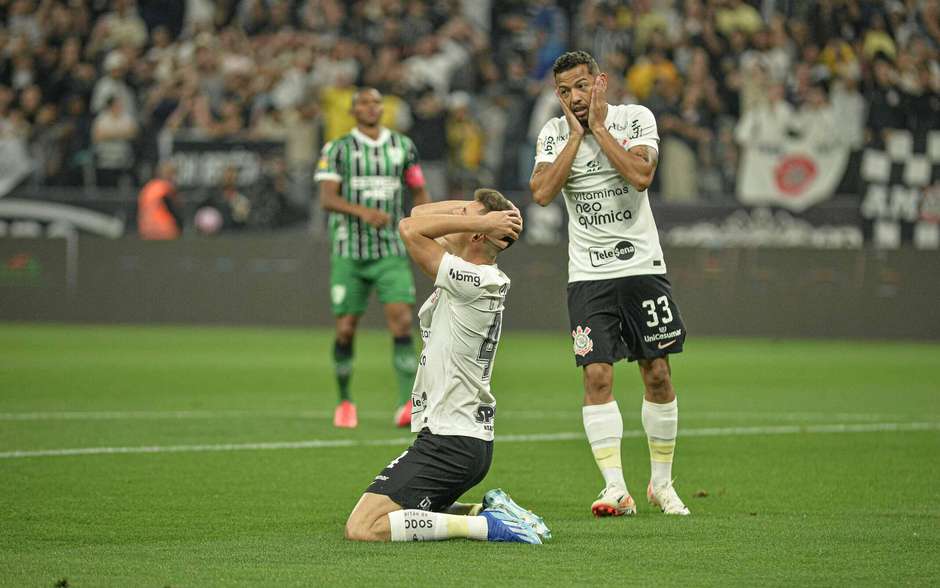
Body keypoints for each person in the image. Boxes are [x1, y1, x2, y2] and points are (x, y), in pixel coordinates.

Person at [529, 51, 690, 517]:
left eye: (582, 86)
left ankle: (662, 484)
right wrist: (577, 136)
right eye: (564, 91)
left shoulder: (634, 118)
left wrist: (598, 128)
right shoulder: (556, 134)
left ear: (601, 83)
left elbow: (641, 176)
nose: (575, 98)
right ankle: (615, 487)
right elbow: (540, 193)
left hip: (642, 267)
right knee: (597, 374)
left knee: (656, 371)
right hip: (589, 274)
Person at [344, 188, 550, 544]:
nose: (457, 217)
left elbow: (409, 227)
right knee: (396, 513)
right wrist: (480, 218)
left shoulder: (476, 280)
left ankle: (488, 527)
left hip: (451, 442)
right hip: (460, 439)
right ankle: (485, 512)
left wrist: (480, 220)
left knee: (364, 527)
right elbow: (419, 211)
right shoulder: (473, 269)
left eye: (467, 215)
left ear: (476, 234)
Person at [315, 87, 431, 429]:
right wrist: (363, 212)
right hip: (350, 251)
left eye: (377, 102)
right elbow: (327, 198)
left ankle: (405, 404)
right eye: (364, 103)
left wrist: (427, 221)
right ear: (353, 111)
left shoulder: (402, 147)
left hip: (390, 252)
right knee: (346, 329)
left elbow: (418, 189)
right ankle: (345, 401)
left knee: (402, 322)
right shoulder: (337, 149)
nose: (371, 107)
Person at [137, 161, 182, 239]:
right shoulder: (166, 187)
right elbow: (174, 210)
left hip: (146, 230)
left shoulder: (148, 188)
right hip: (165, 229)